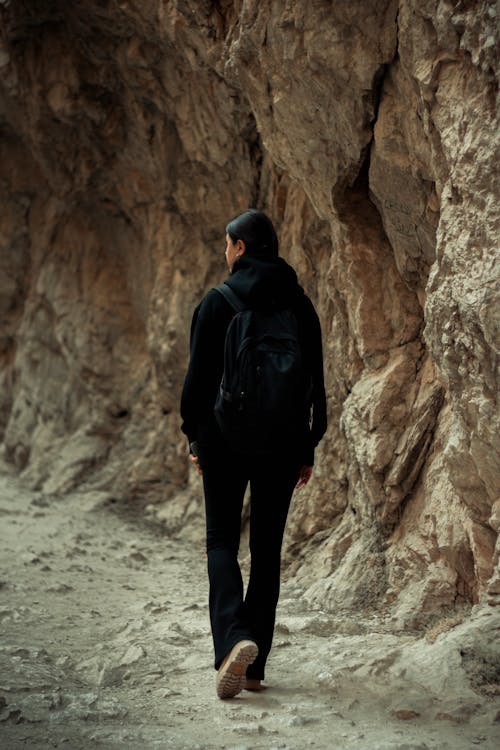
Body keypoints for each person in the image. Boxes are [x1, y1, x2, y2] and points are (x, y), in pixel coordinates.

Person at [180, 209, 327, 699]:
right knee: (266, 552)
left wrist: (196, 439)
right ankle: (256, 665)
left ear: (240, 247)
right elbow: (315, 385)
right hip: (283, 445)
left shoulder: (218, 302)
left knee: (222, 541)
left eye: (227, 244)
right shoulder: (300, 306)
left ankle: (233, 641)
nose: (225, 253)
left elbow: (197, 385)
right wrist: (308, 445)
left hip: (225, 441)